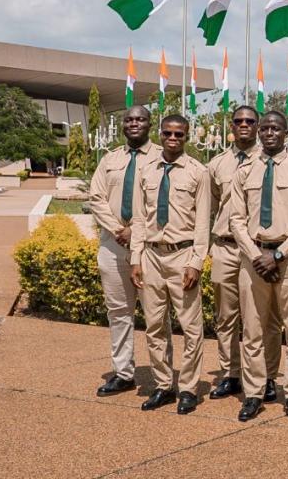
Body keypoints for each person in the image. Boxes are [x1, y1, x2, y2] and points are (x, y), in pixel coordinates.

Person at [225, 111, 288, 423]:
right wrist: (255, 255)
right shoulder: (244, 171)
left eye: (275, 128)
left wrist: (278, 254)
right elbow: (236, 220)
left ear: (286, 132)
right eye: (264, 128)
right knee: (252, 331)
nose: (269, 133)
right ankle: (253, 394)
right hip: (254, 260)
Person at [129, 114, 211, 415]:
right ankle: (163, 384)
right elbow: (139, 219)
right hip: (151, 255)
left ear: (187, 136)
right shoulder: (146, 170)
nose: (173, 138)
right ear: (160, 135)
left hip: (182, 255)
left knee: (191, 326)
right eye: (168, 133)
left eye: (179, 134)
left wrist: (196, 262)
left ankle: (188, 388)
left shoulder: (198, 172)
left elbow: (203, 222)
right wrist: (135, 257)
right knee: (154, 325)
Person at [205, 106, 280, 403]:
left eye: (250, 121)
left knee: (266, 319)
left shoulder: (268, 162)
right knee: (226, 317)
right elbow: (210, 206)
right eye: (239, 121)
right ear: (231, 126)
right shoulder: (217, 164)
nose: (244, 125)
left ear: (258, 126)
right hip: (225, 247)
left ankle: (268, 376)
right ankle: (231, 373)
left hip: (258, 252)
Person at [88, 106, 162, 397]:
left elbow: (165, 203)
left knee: (156, 314)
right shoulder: (110, 159)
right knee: (119, 312)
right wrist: (120, 229)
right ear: (123, 125)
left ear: (149, 124)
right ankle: (123, 372)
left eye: (140, 119)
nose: (134, 124)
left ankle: (162, 376)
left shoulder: (161, 157)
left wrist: (137, 231)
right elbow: (96, 197)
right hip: (113, 245)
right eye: (129, 119)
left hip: (149, 249)